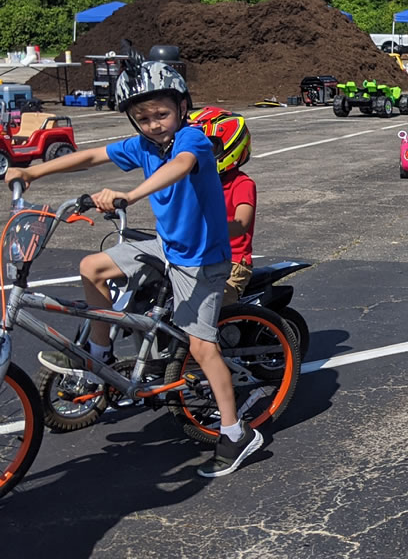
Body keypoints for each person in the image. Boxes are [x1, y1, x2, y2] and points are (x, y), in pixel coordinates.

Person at [6, 57, 264, 478]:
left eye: (161, 114)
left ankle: (235, 433)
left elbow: (177, 169)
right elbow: (90, 156)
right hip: (167, 246)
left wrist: (130, 194)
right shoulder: (142, 146)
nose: (153, 124)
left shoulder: (193, 141)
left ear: (182, 107)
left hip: (201, 259)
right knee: (91, 267)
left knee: (201, 346)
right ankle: (99, 357)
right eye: (142, 118)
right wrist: (33, 171)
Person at [189, 106, 256, 305]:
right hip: (200, 255)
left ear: (230, 147)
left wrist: (205, 232)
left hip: (234, 263)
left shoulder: (242, 184)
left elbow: (241, 222)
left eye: (208, 148)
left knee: (207, 305)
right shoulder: (195, 182)